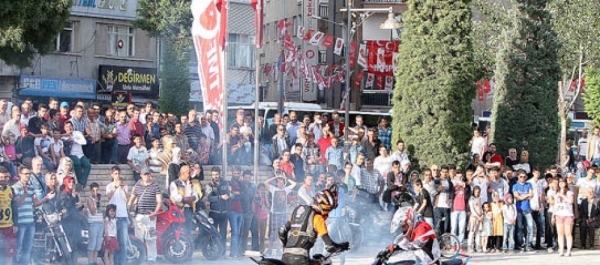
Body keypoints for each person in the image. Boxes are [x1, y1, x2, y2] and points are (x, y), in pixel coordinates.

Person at [278, 184, 349, 265]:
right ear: (326, 207)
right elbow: (330, 246)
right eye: (329, 210)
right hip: (301, 260)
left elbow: (282, 231)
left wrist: (285, 246)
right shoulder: (318, 218)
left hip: (285, 258)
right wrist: (341, 247)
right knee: (325, 262)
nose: (328, 213)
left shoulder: (299, 210)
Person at [127, 167, 162, 264]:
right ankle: (141, 256)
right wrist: (129, 207)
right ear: (141, 175)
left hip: (150, 216)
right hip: (139, 215)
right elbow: (132, 199)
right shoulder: (137, 186)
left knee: (151, 238)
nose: (147, 176)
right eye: (145, 174)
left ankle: (151, 258)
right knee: (139, 238)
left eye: (148, 174)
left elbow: (159, 201)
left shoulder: (155, 186)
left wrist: (155, 212)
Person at [105, 166, 129, 265]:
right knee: (113, 242)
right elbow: (108, 196)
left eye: (119, 173)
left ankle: (122, 262)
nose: (117, 175)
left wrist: (122, 189)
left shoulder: (125, 185)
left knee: (123, 241)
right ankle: (114, 262)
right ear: (112, 175)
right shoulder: (109, 186)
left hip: (123, 216)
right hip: (113, 217)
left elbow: (127, 199)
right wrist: (115, 187)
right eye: (115, 173)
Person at [551, 177, 574, 256]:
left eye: (563, 182)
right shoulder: (556, 193)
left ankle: (568, 250)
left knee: (568, 233)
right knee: (560, 233)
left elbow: (571, 201)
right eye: (559, 182)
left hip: (568, 214)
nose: (561, 183)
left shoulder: (569, 192)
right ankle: (561, 250)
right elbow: (555, 205)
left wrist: (562, 195)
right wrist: (553, 215)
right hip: (559, 214)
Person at [0, 166, 18, 265]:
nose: (3, 179)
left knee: (9, 252)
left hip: (8, 226)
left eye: (5, 177)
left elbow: (14, 207)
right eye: (1, 177)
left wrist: (15, 223)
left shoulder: (10, 190)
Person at [86, 182, 104, 265]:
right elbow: (93, 211)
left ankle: (95, 261)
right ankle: (90, 262)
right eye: (93, 191)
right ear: (91, 191)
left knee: (98, 245)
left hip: (100, 223)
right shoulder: (89, 199)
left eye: (97, 190)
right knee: (92, 244)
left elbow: (101, 211)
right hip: (93, 223)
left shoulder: (100, 199)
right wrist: (96, 202)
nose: (95, 192)